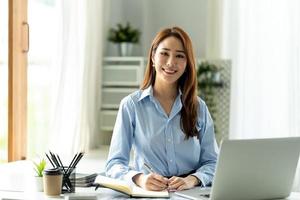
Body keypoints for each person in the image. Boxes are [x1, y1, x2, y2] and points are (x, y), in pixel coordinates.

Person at [105, 26, 218, 191]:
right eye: (164, 53)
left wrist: (193, 179)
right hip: (148, 193)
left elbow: (212, 162)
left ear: (187, 63)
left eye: (179, 55)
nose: (171, 62)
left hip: (190, 192)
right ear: (153, 56)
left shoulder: (198, 107)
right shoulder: (131, 106)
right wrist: (140, 179)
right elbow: (114, 164)